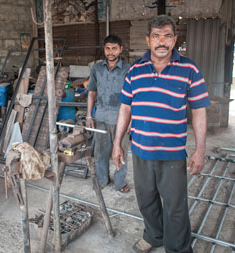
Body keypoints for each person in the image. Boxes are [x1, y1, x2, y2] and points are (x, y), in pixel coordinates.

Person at [112, 15, 210, 253]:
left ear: (174, 39)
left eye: (167, 36)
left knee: (175, 206)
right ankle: (154, 235)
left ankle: (177, 248)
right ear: (148, 40)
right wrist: (117, 144)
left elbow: (198, 110)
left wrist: (200, 149)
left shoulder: (189, 69)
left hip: (172, 153)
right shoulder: (135, 71)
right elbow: (125, 108)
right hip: (141, 150)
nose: (162, 42)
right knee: (146, 200)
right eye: (156, 36)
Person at [86, 35, 131, 192]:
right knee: (100, 152)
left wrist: (131, 122)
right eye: (108, 48)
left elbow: (134, 98)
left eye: (114, 48)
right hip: (101, 117)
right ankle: (102, 179)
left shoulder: (128, 69)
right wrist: (89, 115)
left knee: (121, 151)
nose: (111, 52)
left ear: (120, 49)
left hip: (121, 119)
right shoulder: (97, 69)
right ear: (104, 49)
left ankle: (120, 182)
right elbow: (91, 92)